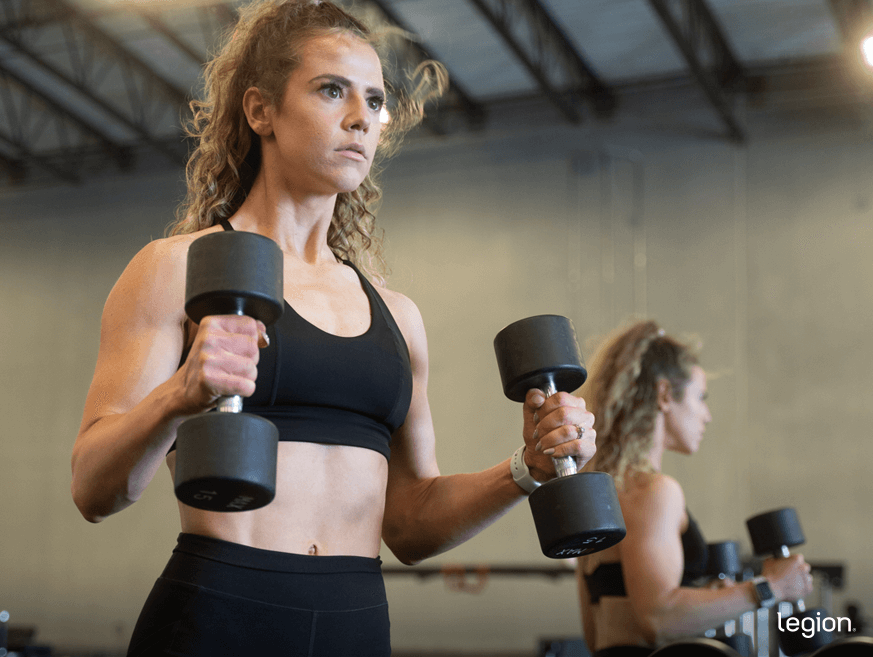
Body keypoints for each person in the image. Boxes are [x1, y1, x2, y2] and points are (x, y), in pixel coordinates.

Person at [69, 1, 596, 655]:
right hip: (222, 614)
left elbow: (409, 524)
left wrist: (527, 469)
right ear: (260, 110)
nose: (361, 118)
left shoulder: (397, 316)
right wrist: (179, 395)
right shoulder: (176, 269)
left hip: (356, 620)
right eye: (331, 90)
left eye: (374, 100)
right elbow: (93, 489)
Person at [575, 320, 813, 656]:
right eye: (701, 398)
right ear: (665, 395)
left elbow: (596, 632)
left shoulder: (599, 498)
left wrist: (710, 599)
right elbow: (658, 617)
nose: (707, 415)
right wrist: (771, 586)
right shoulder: (655, 491)